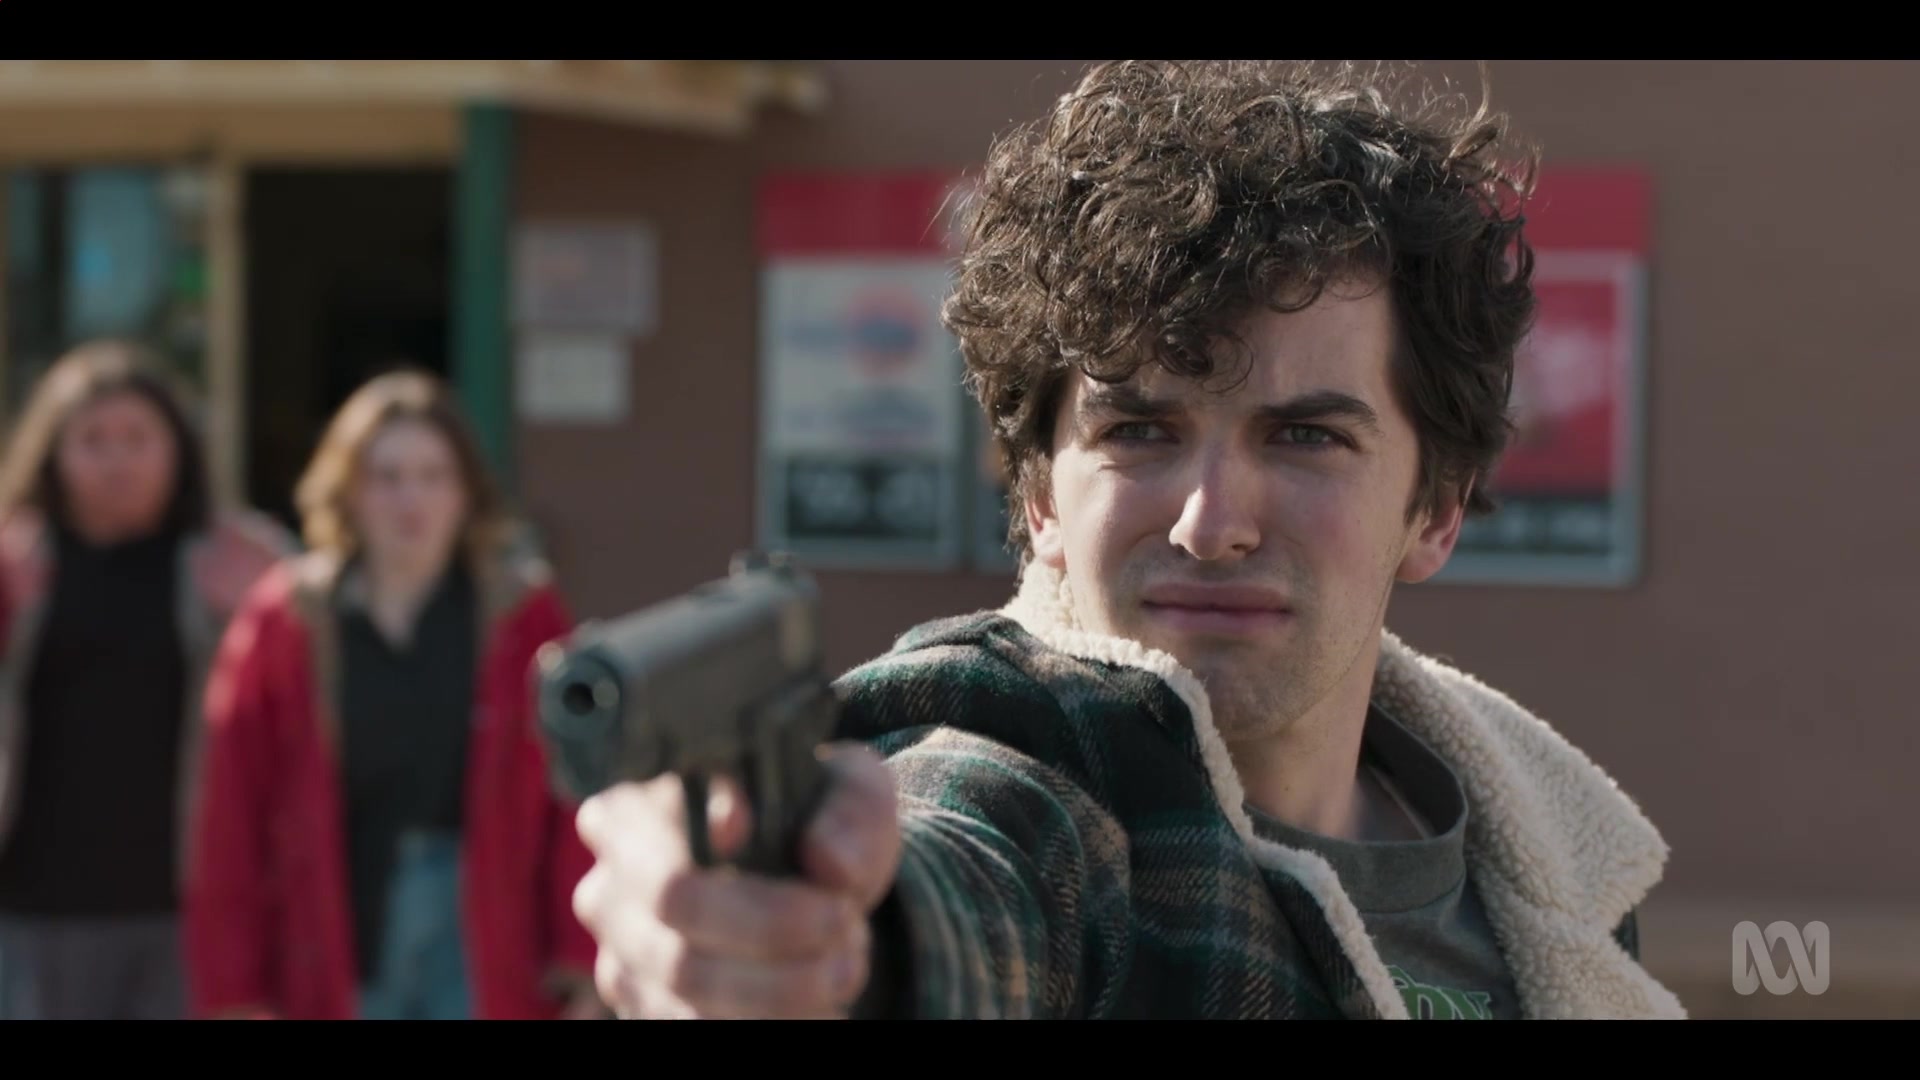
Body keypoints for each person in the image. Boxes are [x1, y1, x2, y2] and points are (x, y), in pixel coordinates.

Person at [571, 59, 1688, 1020]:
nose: (1210, 524)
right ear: (1041, 499)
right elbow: (960, 886)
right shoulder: (1027, 787)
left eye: (1305, 437)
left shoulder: (1552, 864)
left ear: (1435, 510)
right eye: (1139, 432)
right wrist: (819, 944)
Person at [182, 369, 603, 1020]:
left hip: (485, 933)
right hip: (339, 926)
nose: (412, 499)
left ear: (466, 493)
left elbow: (574, 795)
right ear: (348, 490)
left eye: (434, 476)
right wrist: (234, 989)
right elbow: (230, 814)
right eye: (387, 477)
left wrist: (583, 959)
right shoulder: (287, 621)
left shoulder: (523, 615)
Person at [0, 339, 292, 1020]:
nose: (118, 461)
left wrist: (259, 609)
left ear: (179, 448)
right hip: (32, 909)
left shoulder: (237, 565)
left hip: (184, 909)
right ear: (52, 453)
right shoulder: (16, 569)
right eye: (93, 440)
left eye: (138, 438)